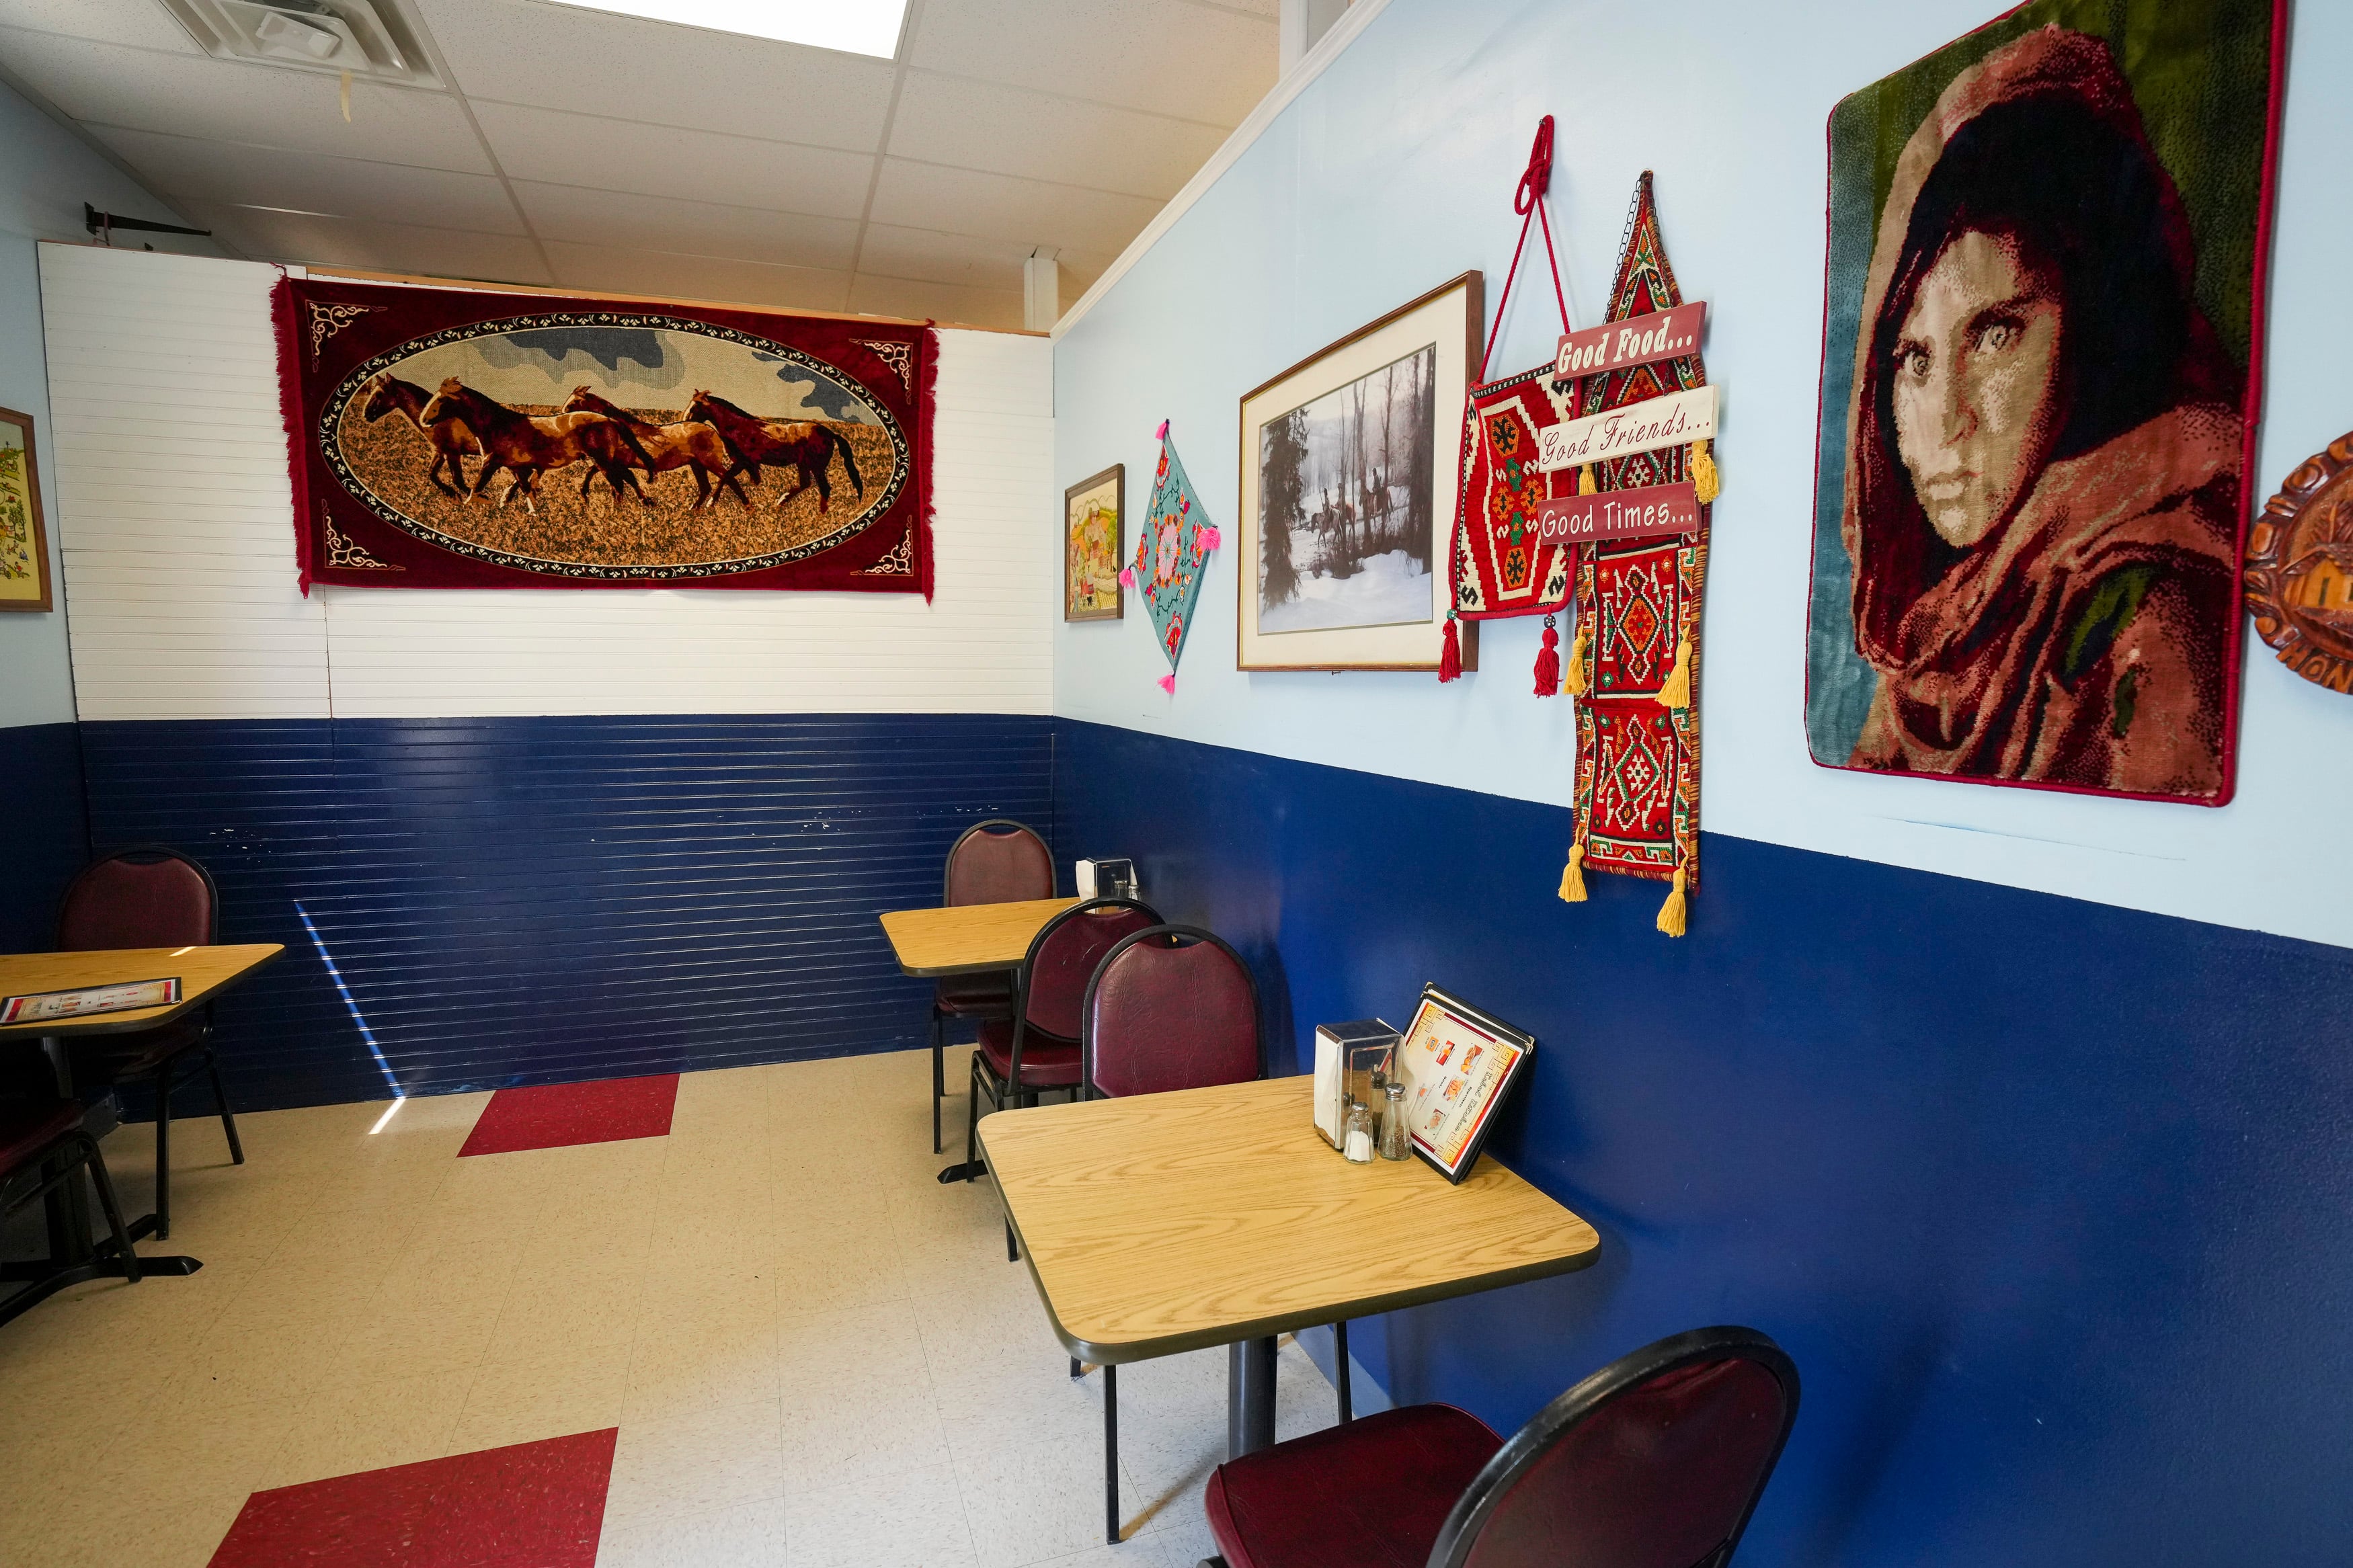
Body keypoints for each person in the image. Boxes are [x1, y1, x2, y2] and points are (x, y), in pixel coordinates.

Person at [1841, 25, 2241, 796]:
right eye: (1913, 360)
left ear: (2086, 336)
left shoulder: (2145, 622)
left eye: (1993, 335)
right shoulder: (1934, 639)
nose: (1944, 420)